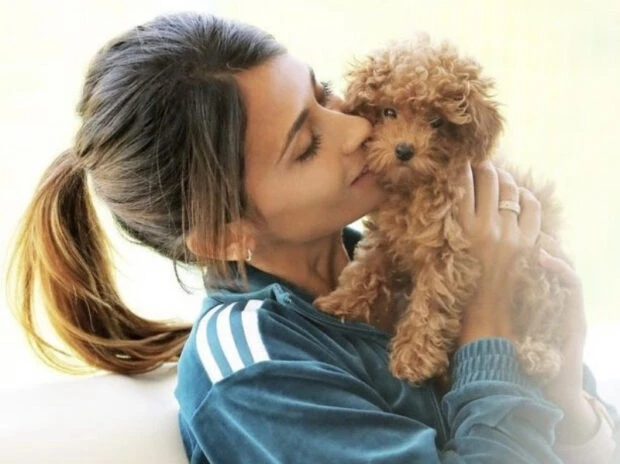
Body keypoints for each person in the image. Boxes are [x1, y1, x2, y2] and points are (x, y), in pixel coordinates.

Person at [5, 11, 618, 463]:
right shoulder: (257, 374)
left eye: (324, 94)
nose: (355, 130)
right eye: (306, 145)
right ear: (225, 237)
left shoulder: (399, 249)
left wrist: (567, 389)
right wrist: (489, 322)